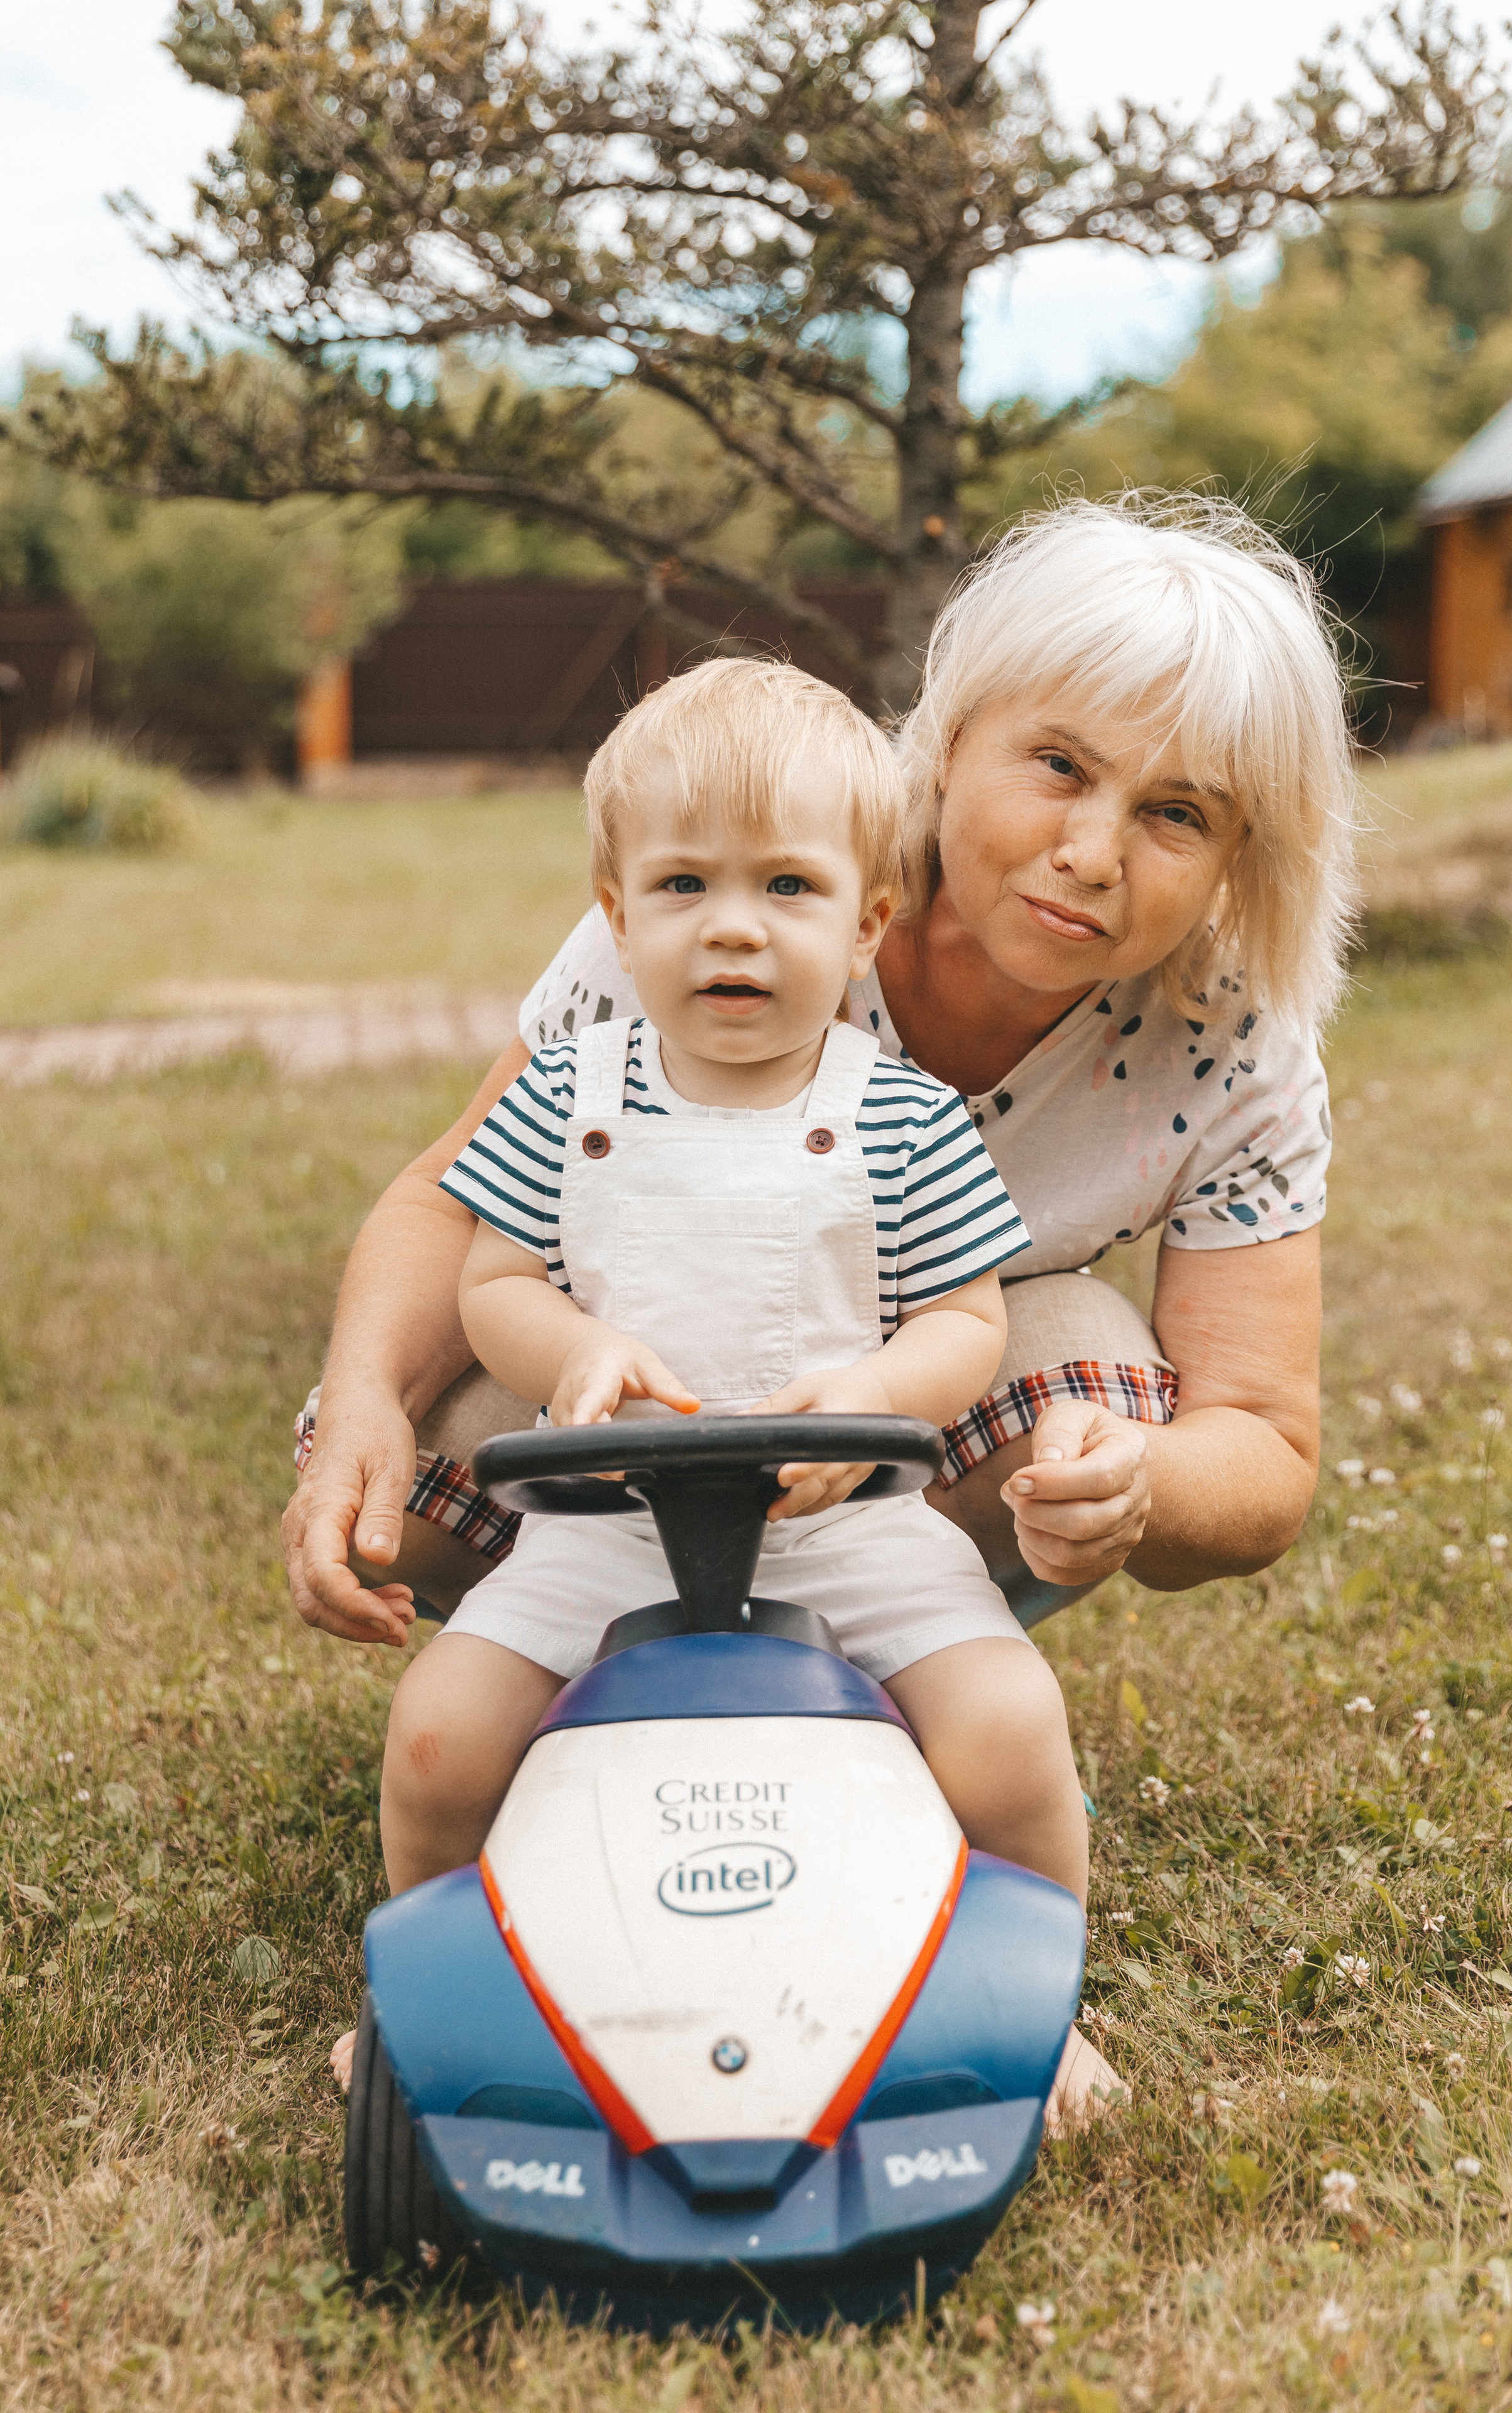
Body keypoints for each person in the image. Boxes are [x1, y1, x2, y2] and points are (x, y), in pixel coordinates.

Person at [296, 494, 1356, 2108]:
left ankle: (989, 1943)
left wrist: (1134, 1483)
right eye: (1056, 766)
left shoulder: (1231, 1044)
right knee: (401, 1525)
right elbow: (463, 1209)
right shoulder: (733, 894)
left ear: (1238, 854)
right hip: (617, 1434)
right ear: (953, 736)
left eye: (1175, 812)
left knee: (1086, 1410)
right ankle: (501, 1910)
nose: (1090, 850)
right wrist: (366, 1404)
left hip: (896, 1458)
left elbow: (1261, 1440)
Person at [383, 655, 1085, 1912]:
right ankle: (452, 1960)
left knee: (1009, 1728)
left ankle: (1027, 1963)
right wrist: (572, 1350)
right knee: (441, 1737)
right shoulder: (564, 1096)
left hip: (848, 1529)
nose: (733, 926)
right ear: (617, 916)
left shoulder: (905, 1116)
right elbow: (494, 1283)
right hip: (603, 1530)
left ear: (865, 925)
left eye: (787, 886)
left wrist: (875, 1389)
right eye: (683, 884)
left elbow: (965, 1320)